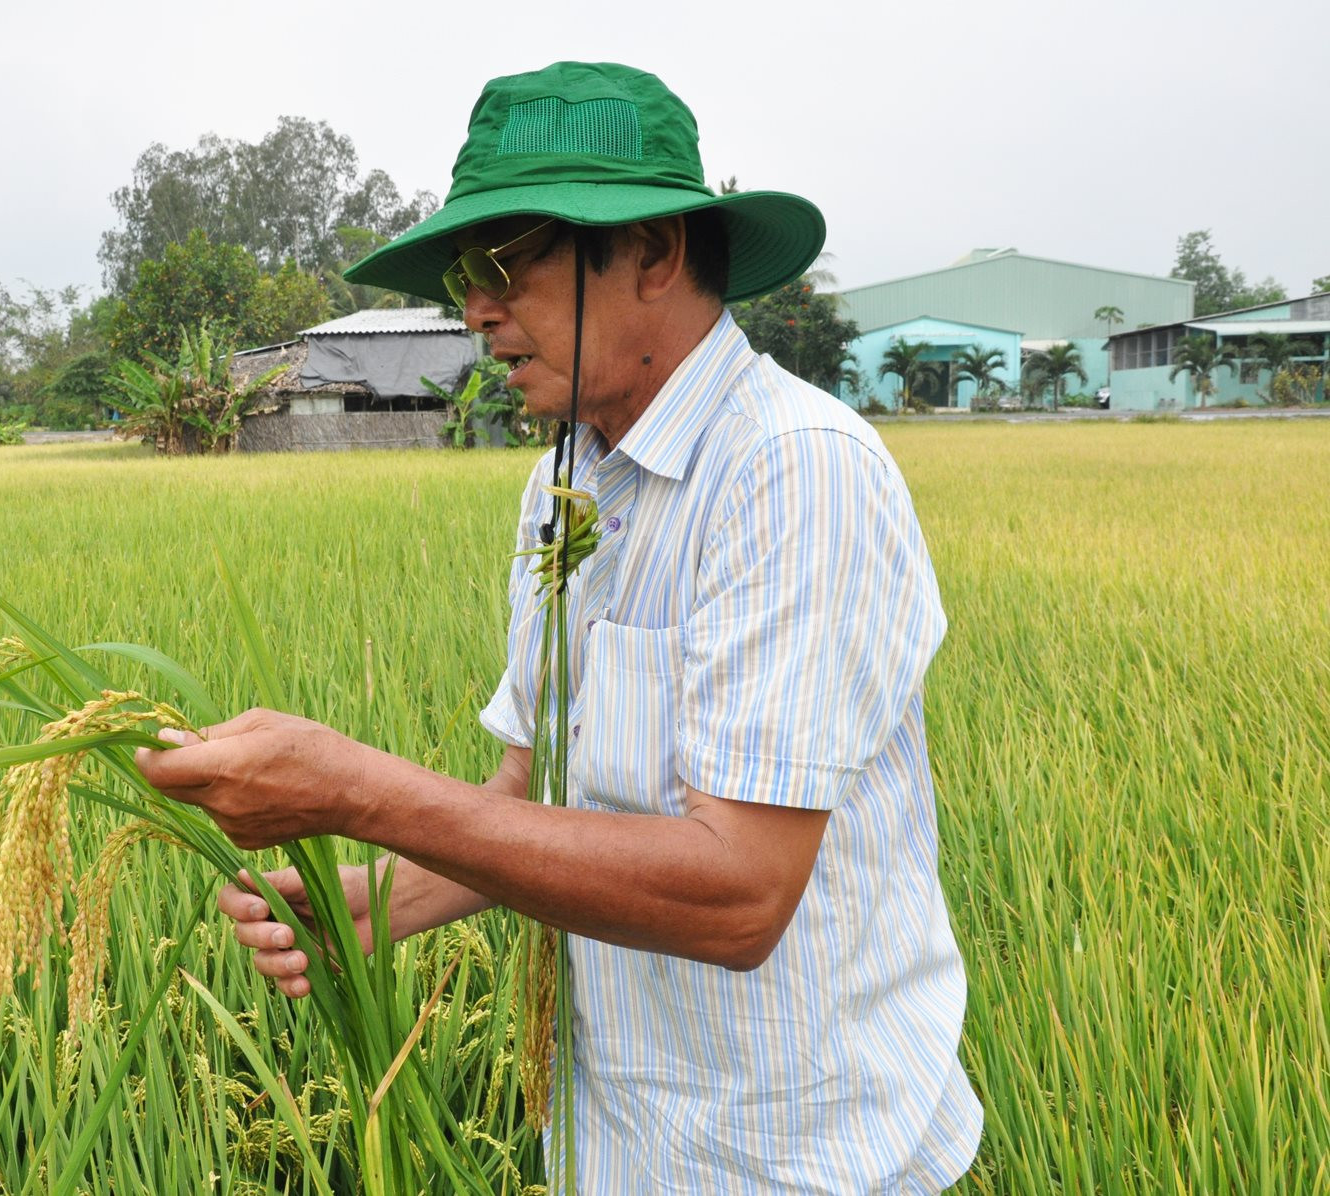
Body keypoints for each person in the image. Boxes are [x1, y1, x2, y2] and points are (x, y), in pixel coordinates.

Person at [137, 61, 981, 1193]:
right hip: (614, 1142)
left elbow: (741, 894)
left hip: (807, 1154)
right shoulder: (567, 481)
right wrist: (378, 901)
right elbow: (533, 802)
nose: (476, 308)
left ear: (654, 252)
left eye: (506, 262)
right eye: (460, 275)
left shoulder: (790, 471)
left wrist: (355, 790)